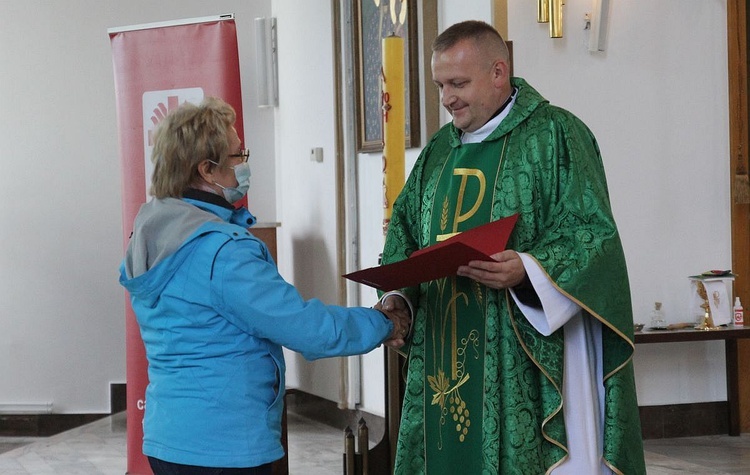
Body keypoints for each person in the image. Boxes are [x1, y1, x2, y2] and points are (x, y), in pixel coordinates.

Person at [380, 20, 646, 474]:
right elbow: (404, 234)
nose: (447, 98)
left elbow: (592, 234)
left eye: (459, 83)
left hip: (528, 350)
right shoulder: (437, 153)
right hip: (447, 347)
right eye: (440, 84)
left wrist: (528, 269)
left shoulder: (556, 135)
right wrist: (398, 300)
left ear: (499, 72)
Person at [119, 97, 411, 475]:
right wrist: (384, 323)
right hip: (223, 445)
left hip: (169, 437)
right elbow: (305, 328)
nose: (244, 164)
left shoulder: (152, 233)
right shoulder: (222, 251)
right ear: (208, 170)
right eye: (238, 155)